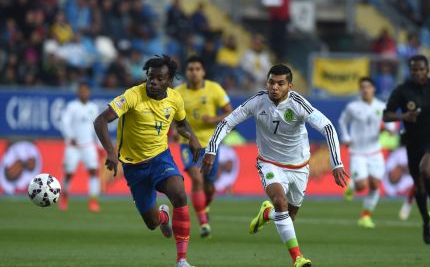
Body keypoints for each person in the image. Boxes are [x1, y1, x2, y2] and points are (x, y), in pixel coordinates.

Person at [202, 64, 349, 267]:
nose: (275, 87)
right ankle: (298, 258)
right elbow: (227, 122)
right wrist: (211, 148)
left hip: (300, 167)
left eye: (281, 83)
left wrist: (337, 163)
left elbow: (328, 128)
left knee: (289, 214)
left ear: (290, 86)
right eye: (271, 82)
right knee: (280, 202)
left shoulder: (298, 104)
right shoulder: (257, 101)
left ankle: (266, 213)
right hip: (269, 163)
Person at [93, 55, 201, 267]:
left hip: (160, 158)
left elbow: (181, 124)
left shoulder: (174, 99)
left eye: (160, 78)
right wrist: (111, 152)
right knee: (152, 223)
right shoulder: (133, 95)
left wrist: (193, 137)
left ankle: (182, 260)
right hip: (134, 167)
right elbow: (100, 121)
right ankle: (163, 216)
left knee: (179, 194)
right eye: (151, 77)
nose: (153, 81)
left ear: (169, 80)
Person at [383, 54, 430, 245]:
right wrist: (404, 117)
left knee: (426, 169)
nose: (418, 73)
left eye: (421, 69)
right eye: (414, 70)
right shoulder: (402, 91)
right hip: (413, 142)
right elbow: (387, 115)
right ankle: (427, 221)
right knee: (419, 185)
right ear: (411, 71)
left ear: (427, 70)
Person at [174, 56, 233, 238]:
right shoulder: (178, 92)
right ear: (186, 72)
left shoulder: (214, 89)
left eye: (197, 68)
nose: (194, 72)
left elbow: (230, 112)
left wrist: (213, 120)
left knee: (209, 186)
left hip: (211, 143)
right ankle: (203, 223)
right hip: (188, 144)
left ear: (203, 72)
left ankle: (204, 207)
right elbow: (169, 116)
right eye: (191, 69)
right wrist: (174, 131)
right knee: (196, 179)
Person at [339, 77, 396, 228]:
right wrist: (346, 137)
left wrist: (390, 129)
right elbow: (342, 121)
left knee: (375, 184)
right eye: (363, 87)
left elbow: (391, 124)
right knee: (361, 186)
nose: (365, 90)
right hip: (357, 152)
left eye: (368, 87)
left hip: (375, 151)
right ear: (360, 90)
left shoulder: (381, 106)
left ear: (374, 89)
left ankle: (365, 216)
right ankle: (352, 185)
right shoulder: (353, 106)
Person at [59, 83, 101, 212]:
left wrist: (100, 144)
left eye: (86, 91)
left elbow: (97, 127)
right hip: (73, 146)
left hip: (88, 145)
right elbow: (64, 122)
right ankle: (64, 196)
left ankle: (93, 201)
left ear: (89, 92)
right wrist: (70, 136)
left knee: (94, 172)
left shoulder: (93, 107)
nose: (84, 93)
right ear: (78, 92)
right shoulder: (72, 106)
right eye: (81, 91)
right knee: (69, 173)